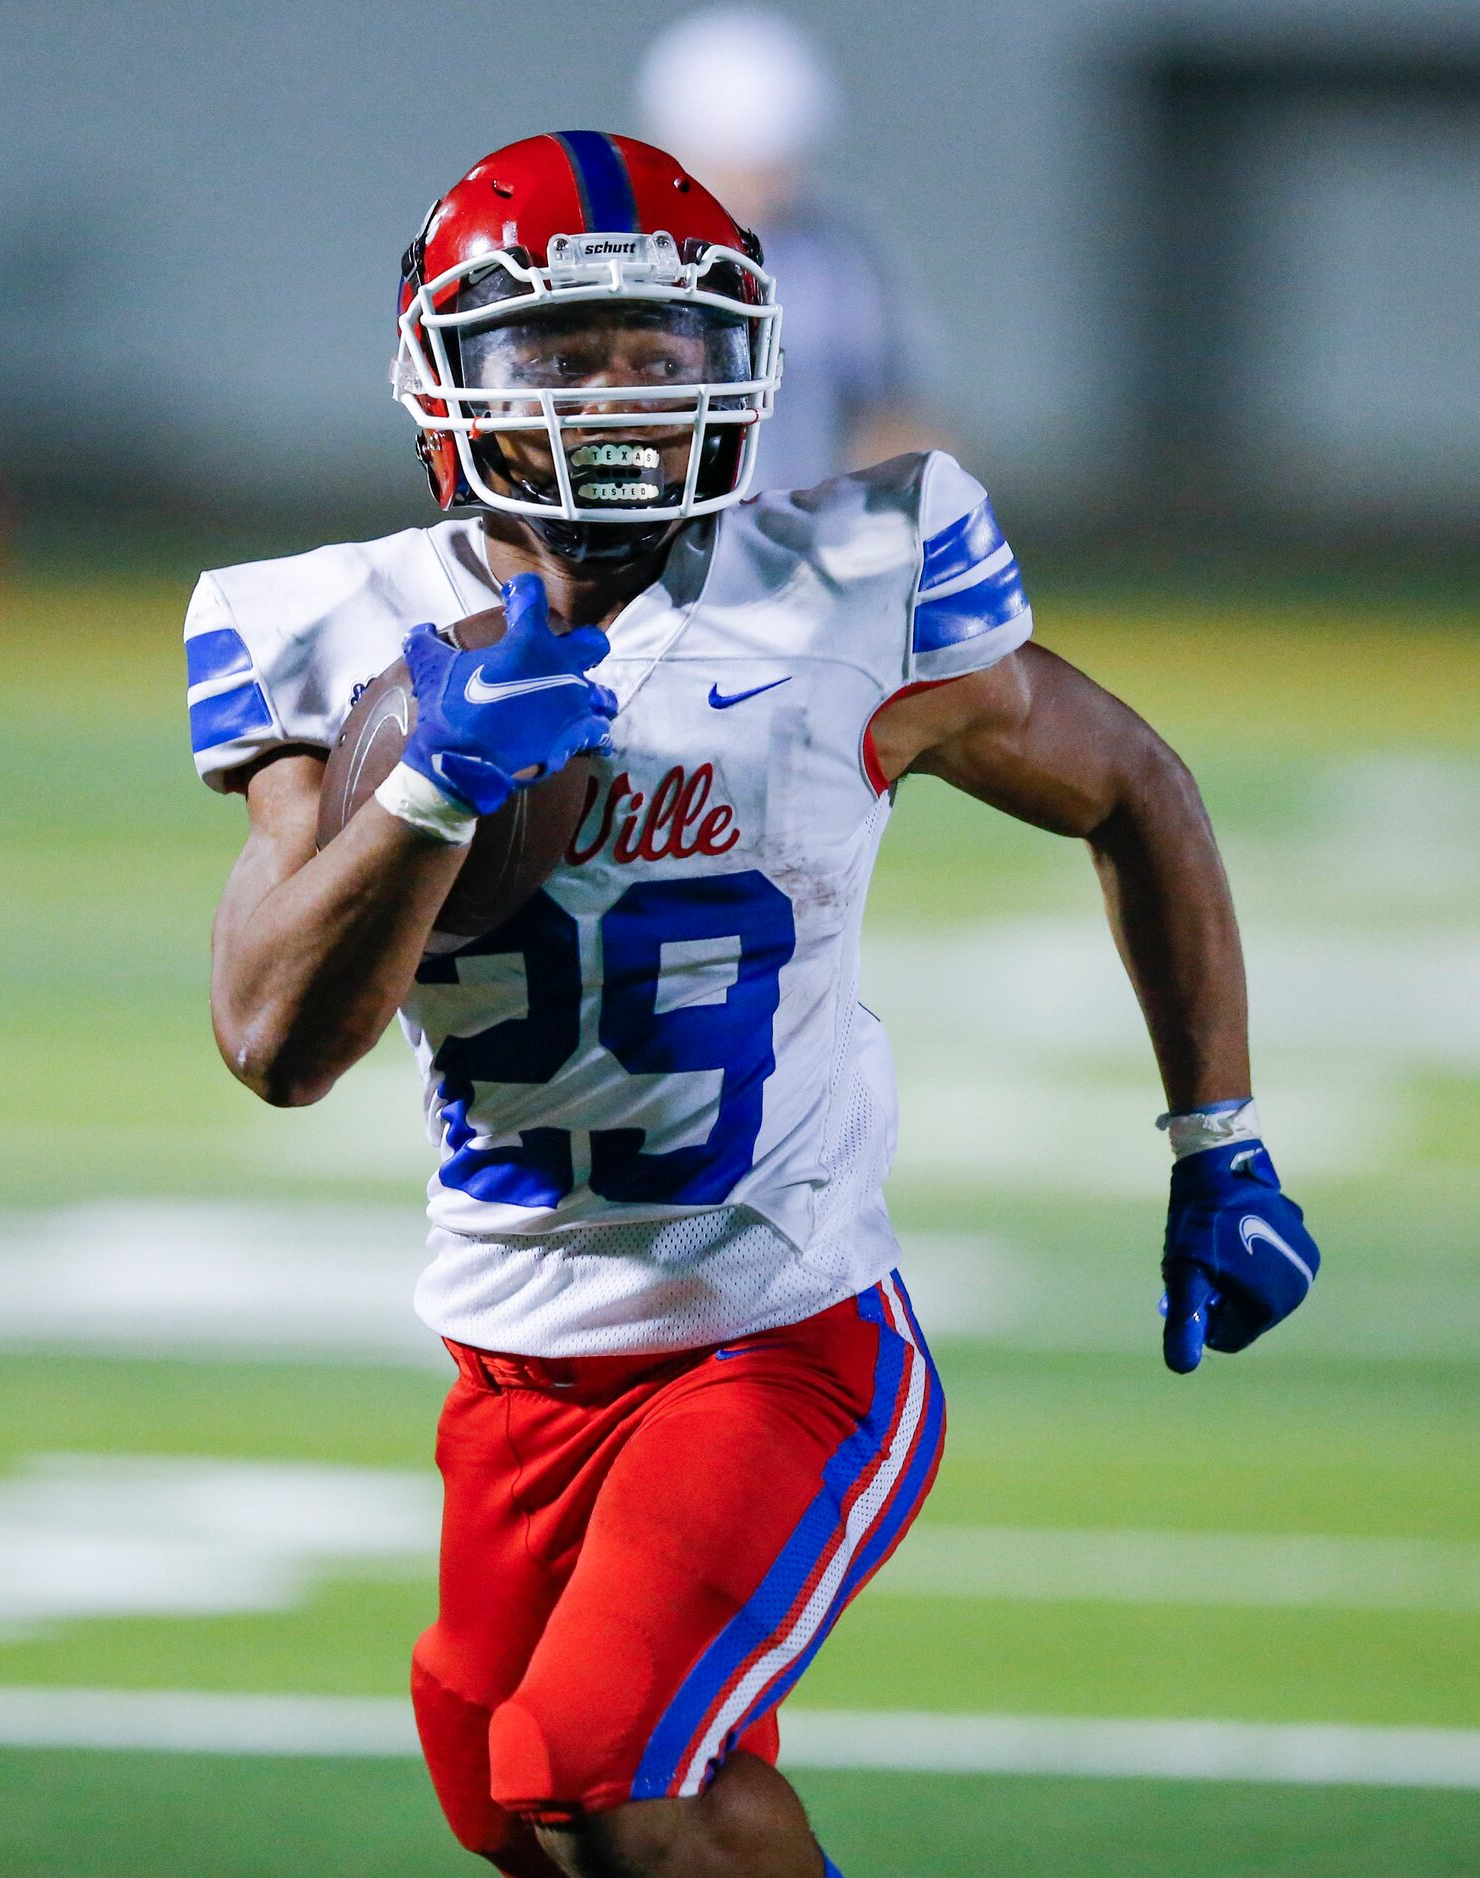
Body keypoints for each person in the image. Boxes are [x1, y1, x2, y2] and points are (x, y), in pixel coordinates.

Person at [184, 131, 1320, 1878]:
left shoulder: (856, 577)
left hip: (777, 1332)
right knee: (529, 1799)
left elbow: (1135, 785)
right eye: (560, 356)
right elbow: (276, 1043)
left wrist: (1218, 1136)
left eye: (658, 351)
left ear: (740, 363)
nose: (616, 397)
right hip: (512, 1349)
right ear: (448, 371)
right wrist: (433, 791)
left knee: (610, 1768)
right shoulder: (336, 633)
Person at [638, 5, 948, 490]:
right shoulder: (629, 261)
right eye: (739, 166)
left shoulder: (837, 258)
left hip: (801, 537)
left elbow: (889, 415)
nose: (764, 188)